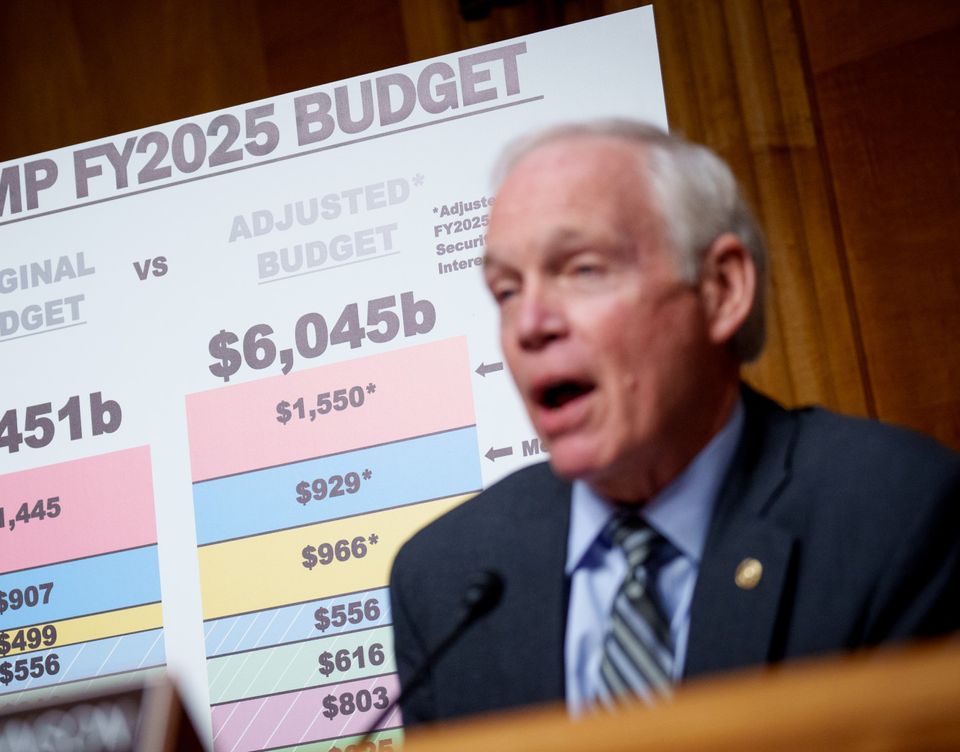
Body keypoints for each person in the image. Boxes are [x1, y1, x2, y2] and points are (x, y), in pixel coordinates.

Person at [389, 119, 960, 724]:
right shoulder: (442, 578)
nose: (529, 325)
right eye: (505, 291)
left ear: (721, 290)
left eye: (582, 270)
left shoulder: (896, 512)